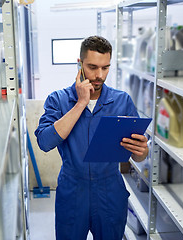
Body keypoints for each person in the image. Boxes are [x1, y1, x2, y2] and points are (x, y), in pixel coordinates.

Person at [34, 36, 148, 240]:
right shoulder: (58, 100)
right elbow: (44, 142)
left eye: (105, 68)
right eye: (93, 67)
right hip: (72, 191)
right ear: (79, 64)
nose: (99, 75)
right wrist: (80, 104)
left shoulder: (122, 101)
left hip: (110, 191)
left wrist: (142, 153)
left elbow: (137, 156)